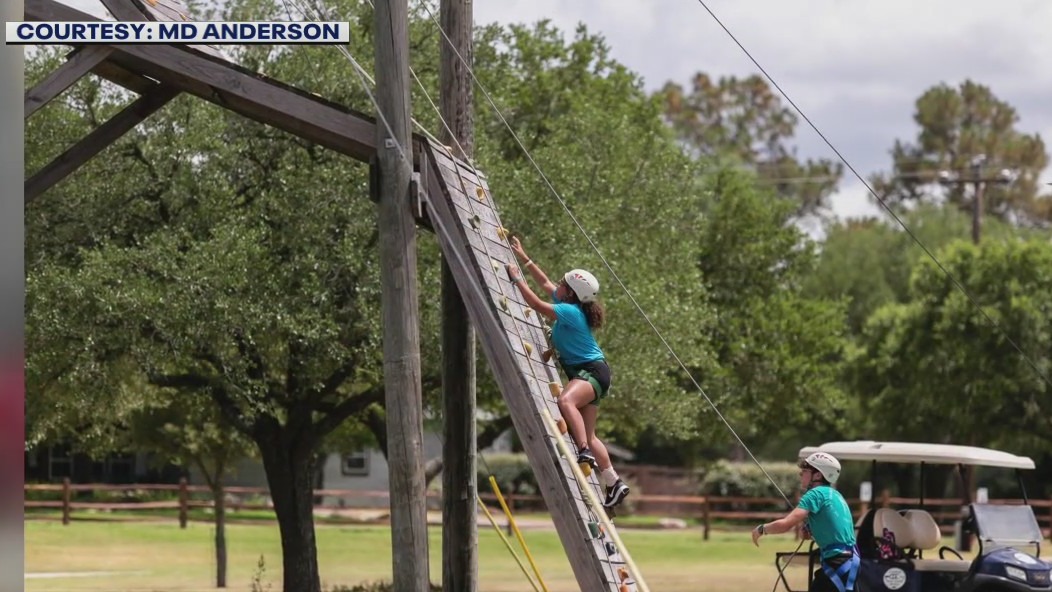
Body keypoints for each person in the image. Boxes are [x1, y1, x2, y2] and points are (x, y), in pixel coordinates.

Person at [505, 236, 629, 509]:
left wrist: (516, 280)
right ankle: (613, 482)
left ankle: (584, 452)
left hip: (591, 371)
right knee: (590, 434)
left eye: (562, 283)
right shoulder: (571, 306)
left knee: (565, 401)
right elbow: (545, 284)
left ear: (571, 292)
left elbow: (537, 304)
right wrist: (524, 258)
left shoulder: (569, 311)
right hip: (596, 372)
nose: (557, 285)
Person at [751, 452, 862, 592]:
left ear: (818, 475)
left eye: (804, 471)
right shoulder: (834, 494)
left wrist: (762, 529)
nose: (800, 474)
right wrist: (812, 529)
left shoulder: (815, 494)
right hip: (849, 562)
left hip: (837, 563)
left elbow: (785, 524)